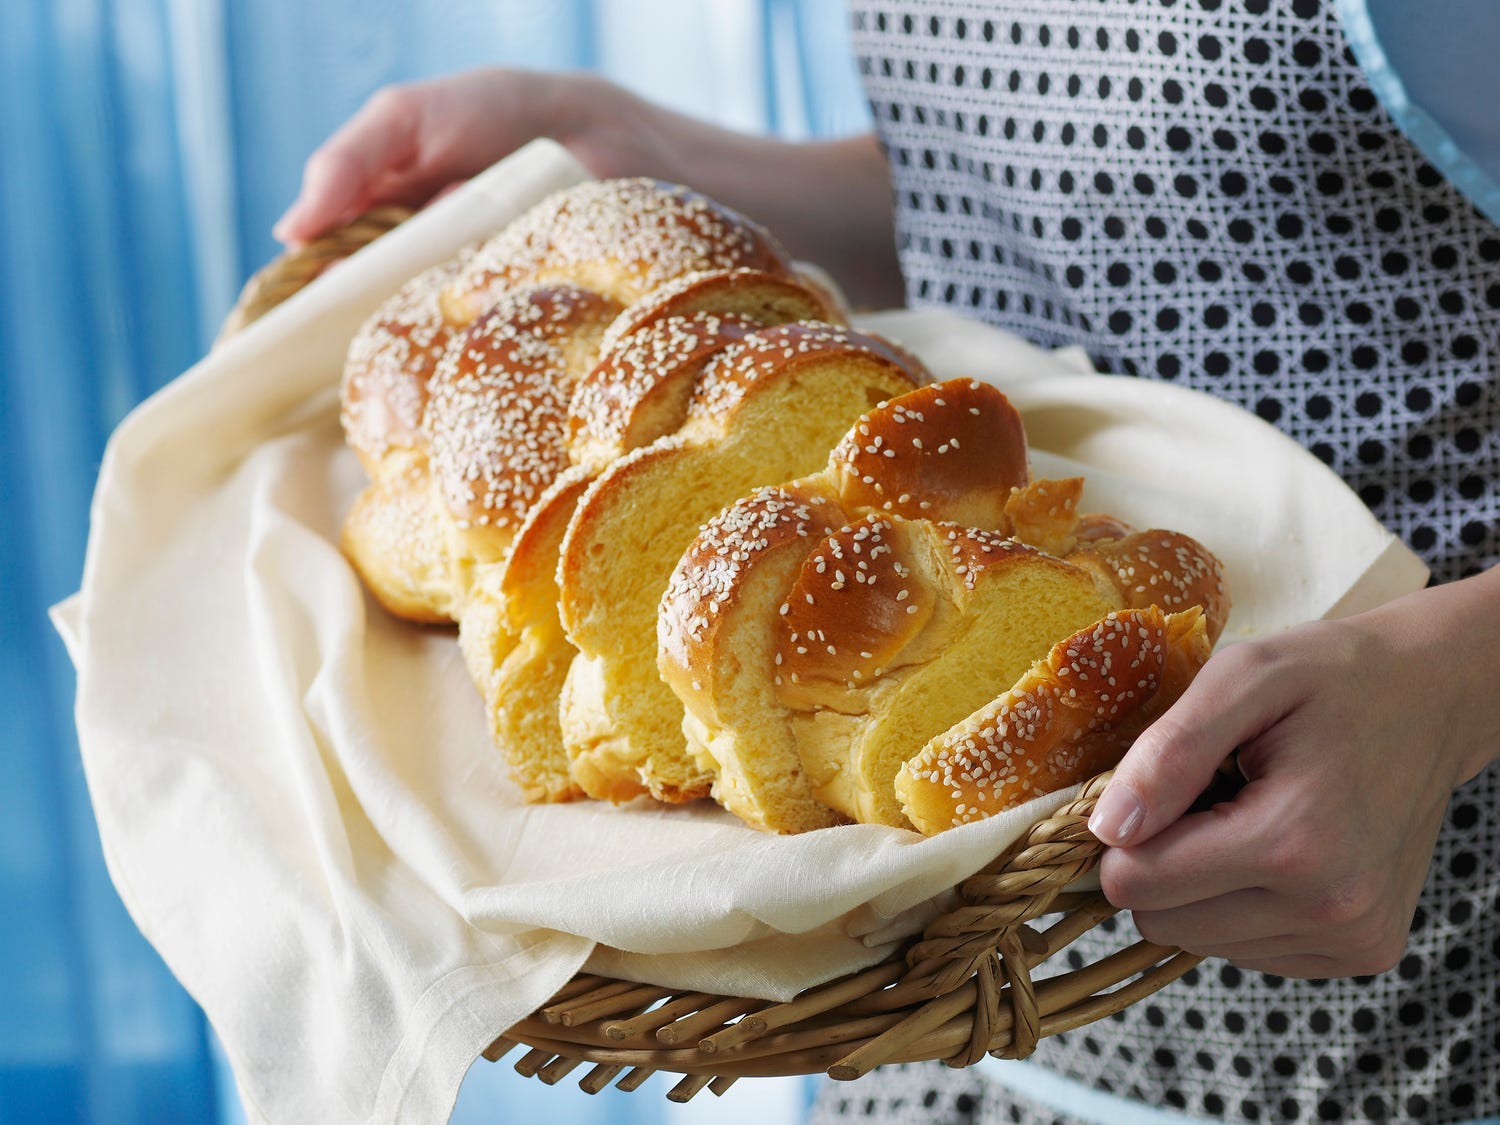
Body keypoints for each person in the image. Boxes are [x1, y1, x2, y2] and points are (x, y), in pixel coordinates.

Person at [276, 3, 1500, 1121]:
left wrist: (1451, 685)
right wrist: (628, 139)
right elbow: (1030, 177)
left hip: (1411, 990)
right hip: (928, 1027)